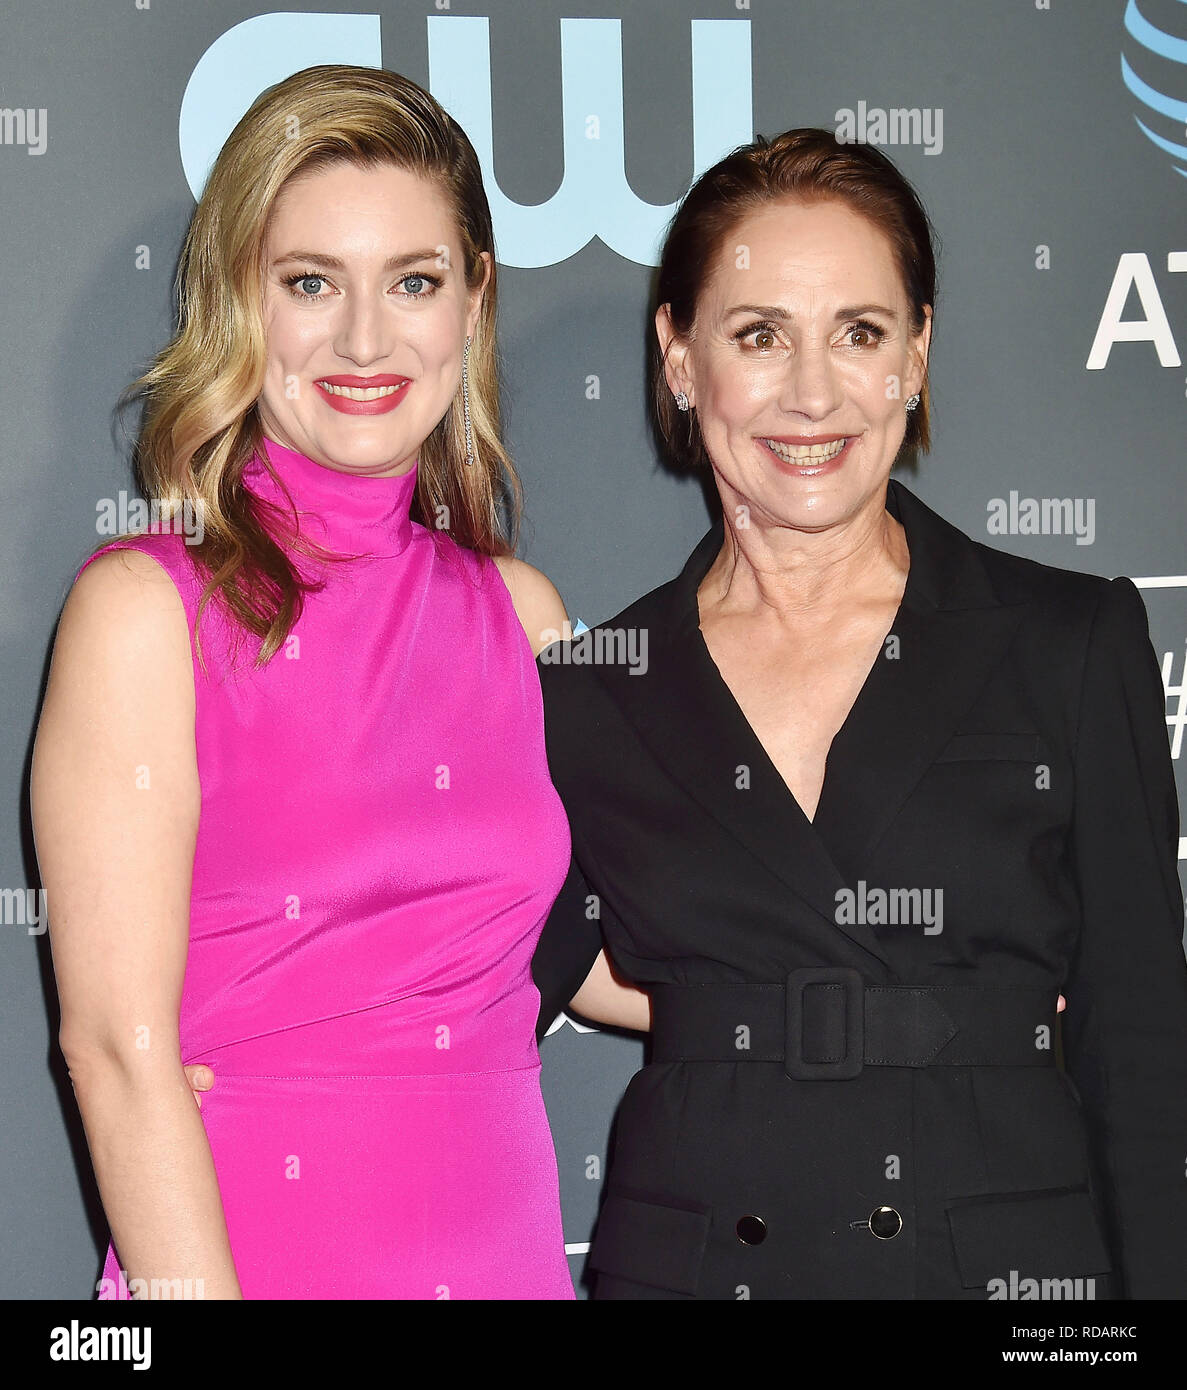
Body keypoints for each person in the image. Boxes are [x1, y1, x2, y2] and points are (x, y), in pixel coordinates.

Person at [530, 128, 1187, 1299]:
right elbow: (473, 979)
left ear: (916, 356)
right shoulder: (595, 683)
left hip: (999, 1270)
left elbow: (1137, 1050)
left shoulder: (1066, 642)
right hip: (693, 1266)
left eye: (860, 332)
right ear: (679, 360)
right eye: (758, 336)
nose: (814, 394)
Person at [32, 64, 573, 1300]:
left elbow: (618, 953)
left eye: (415, 283)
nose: (366, 340)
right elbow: (117, 1053)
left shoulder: (523, 619)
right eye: (311, 283)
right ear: (240, 301)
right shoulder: (144, 612)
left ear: (472, 305)